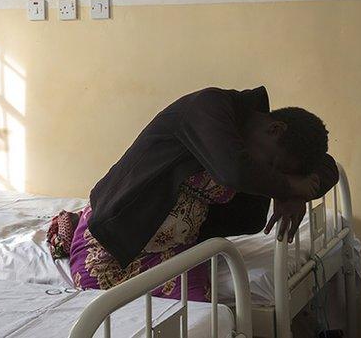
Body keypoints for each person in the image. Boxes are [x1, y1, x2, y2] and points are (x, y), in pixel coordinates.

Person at [67, 86, 338, 302]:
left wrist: (297, 194)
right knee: (111, 314)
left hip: (177, 253)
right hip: (116, 245)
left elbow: (328, 167)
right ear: (275, 129)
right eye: (275, 167)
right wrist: (288, 186)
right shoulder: (208, 108)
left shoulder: (261, 140)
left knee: (204, 322)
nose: (272, 176)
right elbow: (234, 170)